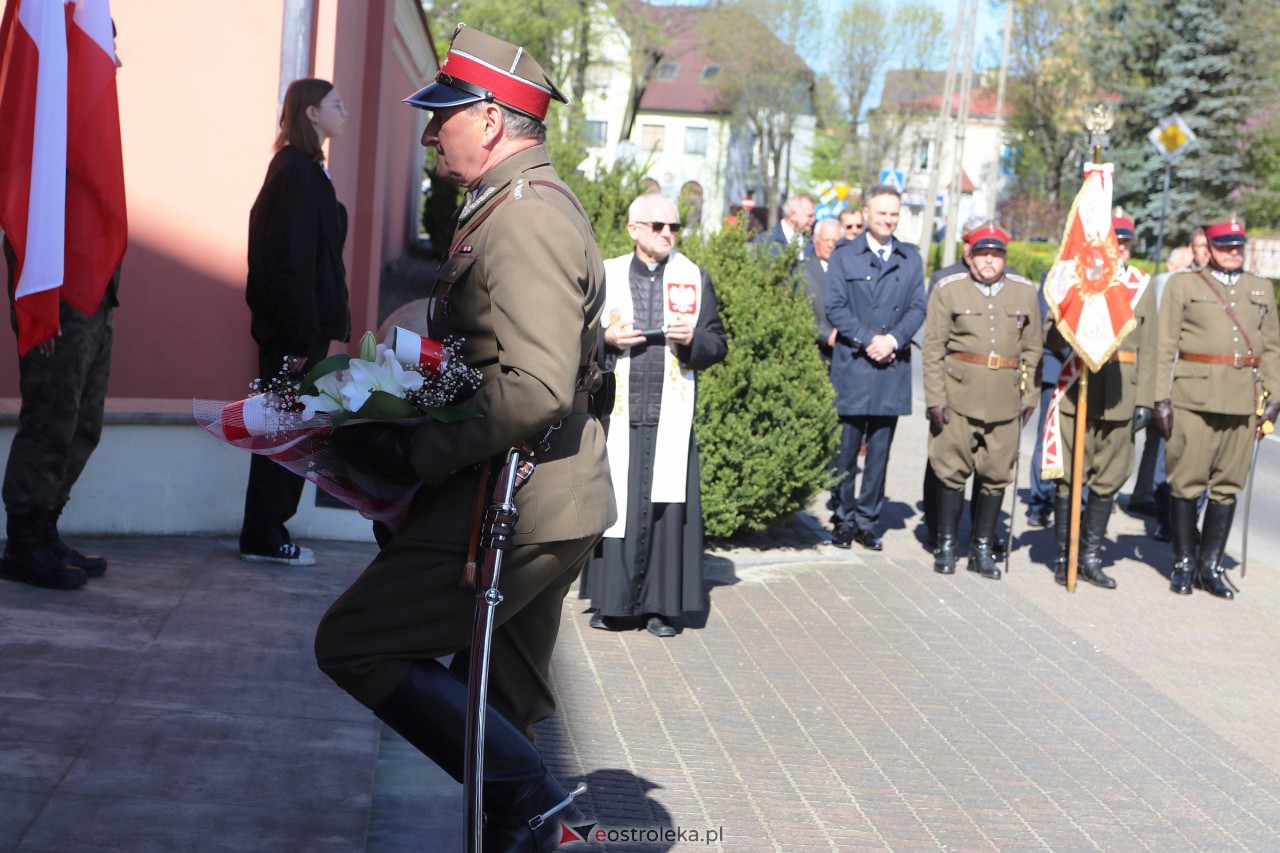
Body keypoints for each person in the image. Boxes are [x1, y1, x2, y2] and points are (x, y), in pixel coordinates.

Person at [313, 24, 615, 849]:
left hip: (520, 494)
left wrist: (413, 453)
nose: (426, 131)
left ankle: (538, 805)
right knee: (500, 704)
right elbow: (500, 360)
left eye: (443, 113)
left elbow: (536, 387)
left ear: (489, 120)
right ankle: (527, 817)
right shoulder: (509, 207)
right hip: (542, 491)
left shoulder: (523, 219)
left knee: (356, 640)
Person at [579, 193, 727, 638]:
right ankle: (612, 603)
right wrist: (606, 338)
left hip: (669, 416)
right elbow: (575, 337)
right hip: (620, 414)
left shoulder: (693, 277)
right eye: (659, 226)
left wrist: (692, 340)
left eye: (674, 228)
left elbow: (718, 344)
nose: (667, 234)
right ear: (634, 229)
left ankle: (661, 608)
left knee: (666, 510)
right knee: (617, 505)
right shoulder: (606, 274)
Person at [239, 78, 351, 566]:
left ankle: (266, 532)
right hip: (296, 336)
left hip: (303, 332)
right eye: (335, 104)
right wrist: (299, 336)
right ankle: (265, 536)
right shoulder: (295, 172)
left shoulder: (307, 170)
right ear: (310, 113)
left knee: (290, 430)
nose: (343, 109)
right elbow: (289, 263)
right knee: (283, 432)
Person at [1153, 218, 1280, 599]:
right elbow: (1163, 346)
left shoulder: (1260, 288)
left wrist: (1274, 396)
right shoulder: (1183, 285)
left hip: (1243, 399)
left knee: (1227, 485)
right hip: (1193, 400)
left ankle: (1210, 566)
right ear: (1209, 247)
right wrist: (1160, 398)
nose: (1233, 252)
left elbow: (1272, 347)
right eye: (1225, 246)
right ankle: (1183, 563)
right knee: (1186, 482)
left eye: (1238, 246)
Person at [1042, 217, 1156, 588]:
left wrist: (1145, 401)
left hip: (1122, 394)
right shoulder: (1076, 281)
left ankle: (1090, 558)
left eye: (1124, 243)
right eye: (1113, 242)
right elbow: (1051, 339)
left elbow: (1150, 349)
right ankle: (1065, 558)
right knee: (1069, 479)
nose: (1119, 248)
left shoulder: (1141, 285)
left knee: (1109, 479)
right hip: (1079, 391)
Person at [922, 225, 1041, 579]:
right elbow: (932, 349)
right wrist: (935, 398)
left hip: (1006, 399)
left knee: (995, 475)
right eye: (982, 254)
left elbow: (1033, 348)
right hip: (958, 395)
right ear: (969, 256)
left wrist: (1030, 394)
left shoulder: (1024, 291)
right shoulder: (949, 290)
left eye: (997, 254)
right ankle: (946, 546)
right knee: (951, 471)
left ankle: (982, 549)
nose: (989, 261)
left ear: (1004, 256)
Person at [1, 244, 119, 590]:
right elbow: (27, 224)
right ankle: (24, 544)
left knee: (84, 424)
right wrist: (37, 307)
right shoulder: (47, 183)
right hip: (59, 300)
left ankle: (45, 532)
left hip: (96, 297)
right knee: (49, 421)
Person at [824, 184, 927, 550]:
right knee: (845, 452)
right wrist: (869, 339)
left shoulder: (910, 258)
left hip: (891, 367)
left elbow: (918, 308)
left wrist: (893, 340)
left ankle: (868, 521)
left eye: (893, 214)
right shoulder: (844, 255)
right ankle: (844, 519)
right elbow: (834, 306)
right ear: (866, 214)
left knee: (881, 451)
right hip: (854, 364)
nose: (887, 219)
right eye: (881, 213)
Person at [1127, 244, 1194, 535]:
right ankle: (1156, 498)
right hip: (1162, 375)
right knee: (1161, 439)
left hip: (1170, 374)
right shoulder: (1162, 286)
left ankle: (1145, 493)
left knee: (1158, 441)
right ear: (1170, 264)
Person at [805, 218, 841, 365]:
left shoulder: (848, 272)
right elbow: (801, 312)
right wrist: (827, 335)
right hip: (815, 354)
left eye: (835, 241)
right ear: (815, 240)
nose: (831, 245)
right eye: (826, 240)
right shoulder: (801, 272)